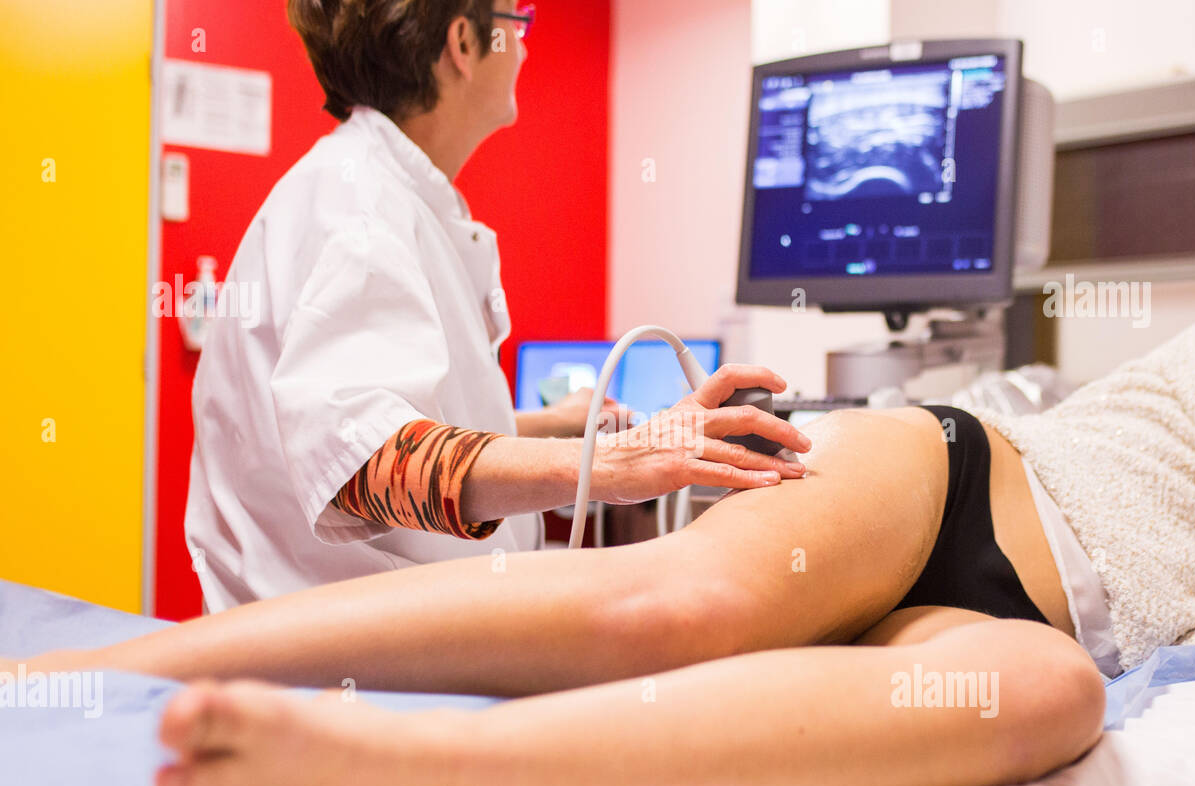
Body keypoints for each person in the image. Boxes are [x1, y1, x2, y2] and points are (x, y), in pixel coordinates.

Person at [15, 318, 1195, 786]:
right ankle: (84, 672)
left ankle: (380, 761)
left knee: (1046, 698)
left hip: (1022, 616)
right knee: (682, 607)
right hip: (952, 479)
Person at [186, 0, 807, 612]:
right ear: (463, 43)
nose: (527, 45)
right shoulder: (364, 216)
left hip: (371, 625)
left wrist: (556, 423)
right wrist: (614, 459)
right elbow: (364, 468)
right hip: (361, 662)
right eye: (518, 22)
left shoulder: (368, 189)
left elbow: (371, 422)